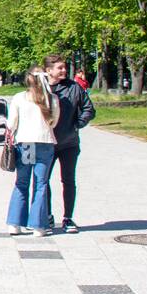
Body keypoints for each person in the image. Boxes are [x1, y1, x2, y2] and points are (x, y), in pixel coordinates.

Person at [5, 67, 60, 237]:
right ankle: (38, 226)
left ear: (28, 79)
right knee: (41, 184)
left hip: (26, 143)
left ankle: (14, 224)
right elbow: (54, 123)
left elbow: (11, 123)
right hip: (45, 143)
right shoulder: (52, 99)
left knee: (22, 183)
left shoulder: (20, 98)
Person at [45, 53, 96, 233]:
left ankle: (68, 218)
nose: (64, 70)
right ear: (48, 70)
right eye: (60, 68)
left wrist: (77, 124)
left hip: (69, 143)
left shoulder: (74, 88)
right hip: (46, 143)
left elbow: (89, 109)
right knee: (43, 181)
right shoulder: (41, 89)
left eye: (64, 67)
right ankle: (47, 216)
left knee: (68, 180)